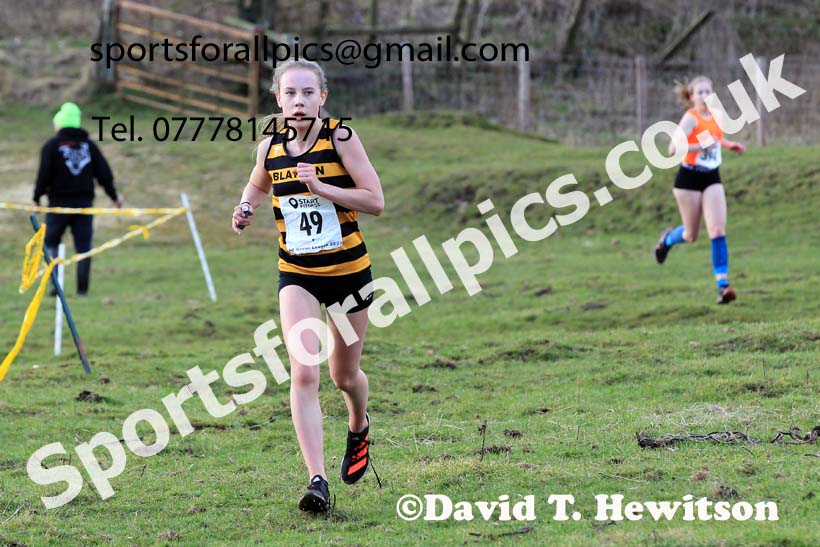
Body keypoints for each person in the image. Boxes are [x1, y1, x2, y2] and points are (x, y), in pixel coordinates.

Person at [231, 60, 384, 513]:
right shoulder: (270, 147)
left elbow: (375, 201)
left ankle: (359, 424)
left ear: (323, 97)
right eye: (290, 93)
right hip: (297, 274)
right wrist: (244, 207)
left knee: (343, 375)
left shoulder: (341, 138)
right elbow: (258, 185)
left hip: (350, 276)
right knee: (304, 372)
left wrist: (324, 189)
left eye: (307, 93)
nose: (298, 101)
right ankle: (317, 480)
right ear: (277, 100)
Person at [654, 76, 745, 304]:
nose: (705, 96)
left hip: (712, 176)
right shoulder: (690, 118)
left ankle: (723, 287)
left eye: (708, 91)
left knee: (717, 229)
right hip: (689, 179)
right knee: (690, 235)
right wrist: (698, 145)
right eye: (700, 92)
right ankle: (667, 240)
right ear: (692, 97)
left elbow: (716, 138)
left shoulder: (716, 115)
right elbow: (672, 149)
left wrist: (729, 144)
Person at [32, 102, 123, 296]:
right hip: (83, 205)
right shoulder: (89, 146)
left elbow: (43, 175)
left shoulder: (51, 146)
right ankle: (82, 290)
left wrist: (36, 198)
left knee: (51, 243)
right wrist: (115, 197)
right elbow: (104, 174)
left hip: (58, 205)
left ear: (60, 123)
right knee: (83, 247)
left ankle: (54, 285)